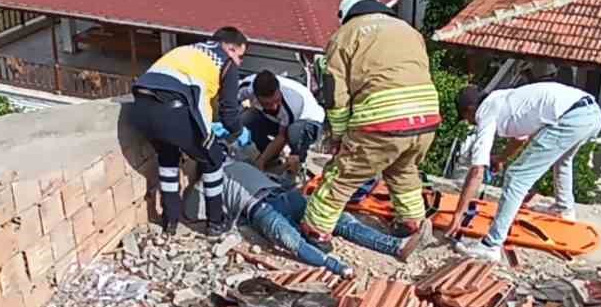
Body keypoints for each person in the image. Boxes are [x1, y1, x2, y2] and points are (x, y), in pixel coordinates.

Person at [300, 0, 440, 246]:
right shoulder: (408, 31)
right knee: (403, 169)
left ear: (346, 14)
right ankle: (412, 224)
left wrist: (340, 136)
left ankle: (315, 231)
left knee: (342, 175)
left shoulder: (345, 36)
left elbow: (336, 94)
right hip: (426, 118)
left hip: (382, 119)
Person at [448, 81, 601, 263]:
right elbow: (519, 139)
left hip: (571, 116)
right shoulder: (503, 99)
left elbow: (477, 171)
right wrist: (501, 159)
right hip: (591, 113)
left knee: (516, 177)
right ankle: (564, 210)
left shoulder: (485, 112)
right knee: (562, 160)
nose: (470, 122)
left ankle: (491, 245)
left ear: (470, 109)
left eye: (467, 117)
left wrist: (459, 214)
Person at [187, 161, 424, 277]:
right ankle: (348, 262)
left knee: (315, 228)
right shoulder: (226, 172)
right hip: (271, 203)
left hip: (271, 202)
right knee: (309, 230)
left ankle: (381, 251)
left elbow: (193, 213)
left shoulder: (221, 171)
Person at [127, 27, 248, 236]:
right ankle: (215, 222)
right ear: (229, 48)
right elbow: (229, 113)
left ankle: (170, 222)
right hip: (173, 111)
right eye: (240, 55)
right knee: (212, 159)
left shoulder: (187, 50)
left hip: (140, 108)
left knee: (168, 157)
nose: (240, 62)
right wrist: (237, 132)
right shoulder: (225, 63)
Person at [238, 70, 325, 171]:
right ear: (256, 96)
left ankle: (297, 162)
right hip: (277, 120)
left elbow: (282, 137)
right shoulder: (246, 87)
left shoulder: (293, 101)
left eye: (276, 100)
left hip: (308, 123)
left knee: (293, 132)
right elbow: (229, 107)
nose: (274, 107)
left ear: (279, 90)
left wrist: (261, 161)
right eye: (267, 104)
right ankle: (270, 158)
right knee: (247, 118)